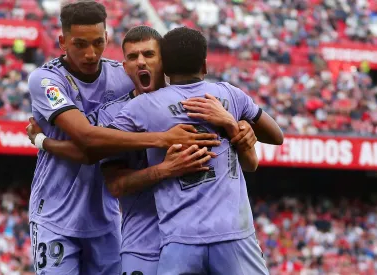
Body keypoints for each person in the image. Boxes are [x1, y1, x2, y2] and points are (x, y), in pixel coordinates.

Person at [27, 25, 282, 274]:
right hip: (144, 244)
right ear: (124, 66)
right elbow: (111, 179)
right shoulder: (116, 115)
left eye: (149, 55)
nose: (141, 63)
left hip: (198, 239)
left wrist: (240, 129)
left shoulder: (210, 103)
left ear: (165, 61)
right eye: (132, 57)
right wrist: (164, 168)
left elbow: (252, 161)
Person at [108, 27, 282, 274]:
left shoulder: (142, 107)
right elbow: (276, 136)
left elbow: (100, 142)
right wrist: (234, 122)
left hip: (179, 240)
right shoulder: (229, 95)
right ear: (205, 66)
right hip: (233, 235)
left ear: (165, 67)